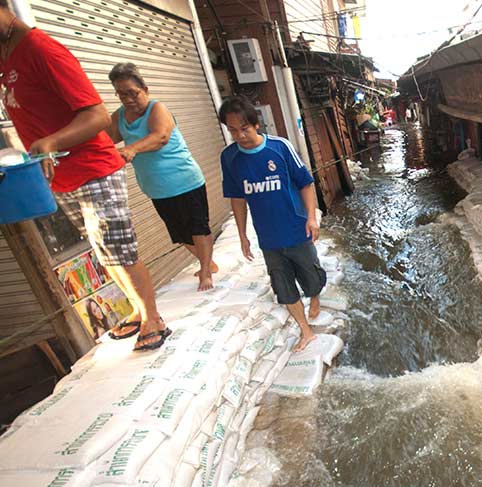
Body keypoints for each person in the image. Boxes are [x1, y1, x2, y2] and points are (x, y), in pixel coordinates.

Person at [0, 2, 169, 350]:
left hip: (93, 166)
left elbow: (97, 117)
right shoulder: (7, 56)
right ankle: (138, 309)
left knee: (118, 248)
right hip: (63, 174)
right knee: (103, 249)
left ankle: (153, 318)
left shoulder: (41, 49)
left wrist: (51, 141)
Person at [218, 96, 325, 352]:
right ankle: (305, 331)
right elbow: (237, 198)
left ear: (256, 124)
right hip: (268, 236)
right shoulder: (230, 158)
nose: (239, 135)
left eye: (244, 128)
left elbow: (305, 183)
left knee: (311, 275)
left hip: (297, 228)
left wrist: (311, 218)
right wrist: (242, 235)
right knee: (283, 286)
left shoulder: (280, 147)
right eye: (233, 130)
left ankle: (315, 296)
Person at [106, 62, 216, 292]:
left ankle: (205, 271)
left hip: (185, 180)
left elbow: (160, 137)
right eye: (121, 94)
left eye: (133, 93)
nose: (128, 99)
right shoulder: (120, 116)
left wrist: (132, 149)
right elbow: (106, 139)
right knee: (180, 233)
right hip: (156, 188)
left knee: (198, 227)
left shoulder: (157, 109)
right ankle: (208, 262)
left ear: (145, 89)